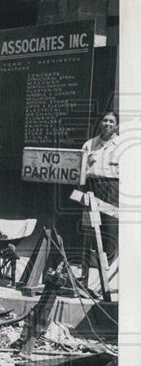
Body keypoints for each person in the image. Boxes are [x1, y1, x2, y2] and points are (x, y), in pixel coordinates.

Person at [79, 111, 121, 265]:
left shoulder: (122, 144)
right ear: (100, 122)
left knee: (110, 227)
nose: (107, 124)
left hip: (113, 189)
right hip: (91, 187)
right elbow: (80, 170)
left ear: (117, 125)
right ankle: (90, 265)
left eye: (111, 121)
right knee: (90, 227)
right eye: (105, 120)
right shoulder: (89, 144)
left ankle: (107, 265)